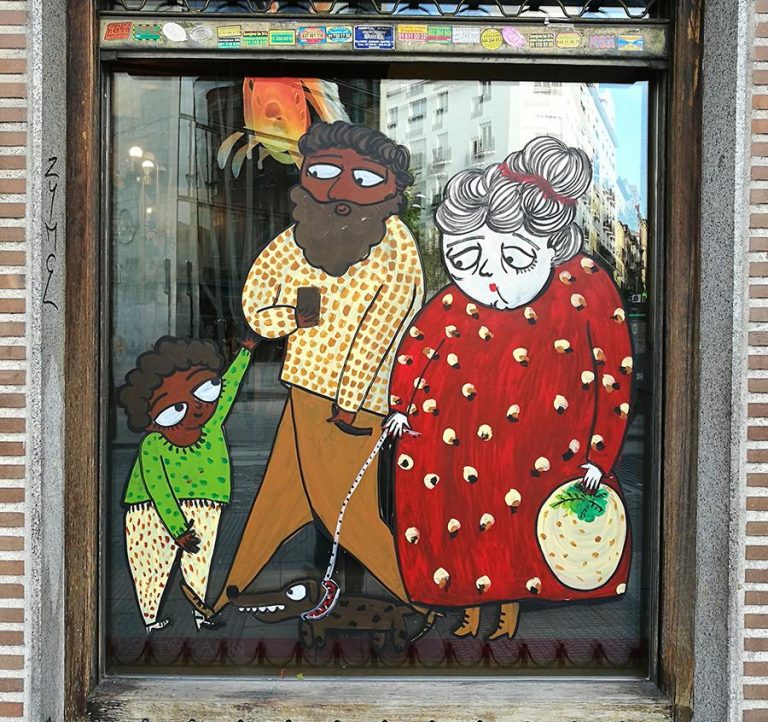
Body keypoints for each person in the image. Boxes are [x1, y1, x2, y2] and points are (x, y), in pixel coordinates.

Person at [385, 136, 634, 640]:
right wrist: (399, 409)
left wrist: (599, 455)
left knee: (519, 533)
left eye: (515, 259)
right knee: (459, 523)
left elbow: (614, 375)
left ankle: (507, 614)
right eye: (464, 258)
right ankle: (467, 608)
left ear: (551, 249)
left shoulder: (585, 289)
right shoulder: (453, 302)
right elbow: (417, 347)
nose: (488, 277)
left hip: (540, 449)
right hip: (450, 447)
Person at [214, 122, 425, 612]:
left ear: (392, 189)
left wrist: (349, 404)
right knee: (278, 499)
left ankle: (420, 600)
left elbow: (384, 329)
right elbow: (255, 303)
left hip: (352, 405)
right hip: (303, 387)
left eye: (364, 178)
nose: (341, 189)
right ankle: (226, 596)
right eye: (326, 173)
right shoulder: (297, 238)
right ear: (306, 174)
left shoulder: (395, 243)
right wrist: (290, 318)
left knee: (344, 511)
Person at [119, 336, 255, 632]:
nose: (196, 408)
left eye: (204, 391)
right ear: (151, 418)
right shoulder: (153, 444)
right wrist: (178, 530)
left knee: (200, 564)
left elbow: (230, 387)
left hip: (206, 503)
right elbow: (159, 490)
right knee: (151, 566)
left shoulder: (211, 423)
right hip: (149, 513)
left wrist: (245, 351)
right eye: (174, 408)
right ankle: (150, 619)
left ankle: (200, 614)